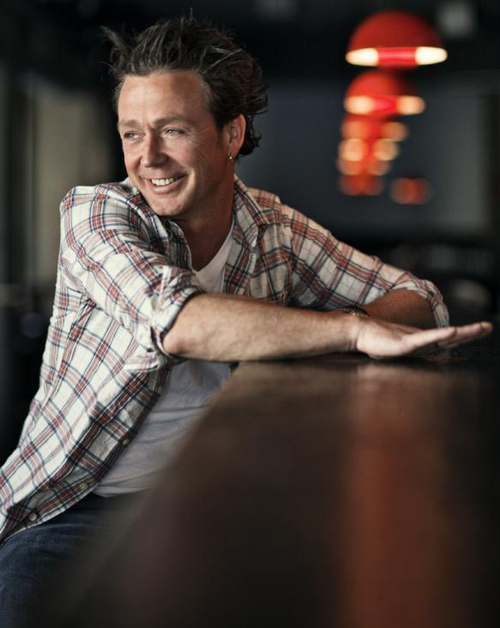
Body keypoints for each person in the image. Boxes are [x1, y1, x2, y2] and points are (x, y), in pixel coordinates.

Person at [0, 13, 492, 626]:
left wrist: (355, 318)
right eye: (132, 134)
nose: (148, 158)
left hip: (209, 501)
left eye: (172, 130)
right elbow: (180, 322)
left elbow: (420, 296)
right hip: (70, 510)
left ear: (230, 134)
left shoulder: (271, 226)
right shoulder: (95, 214)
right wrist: (351, 329)